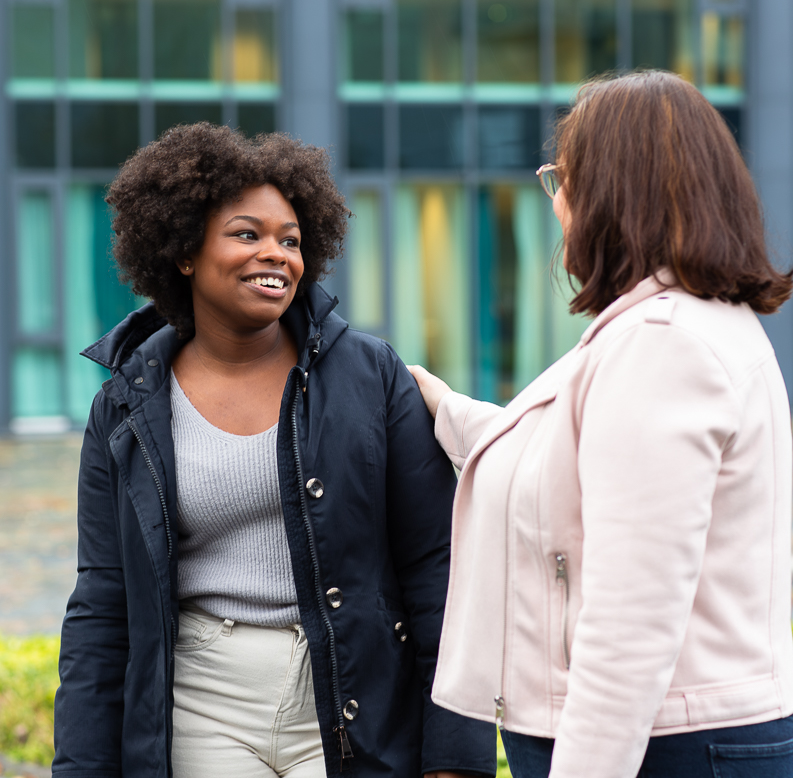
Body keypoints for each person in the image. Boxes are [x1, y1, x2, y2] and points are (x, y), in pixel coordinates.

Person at [52, 123, 495, 778]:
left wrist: (456, 758)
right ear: (183, 253)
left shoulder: (372, 377)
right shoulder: (125, 405)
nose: (277, 255)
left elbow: (440, 572)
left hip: (352, 696)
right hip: (203, 701)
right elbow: (103, 599)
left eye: (290, 240)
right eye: (247, 235)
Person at [408, 71, 793, 778]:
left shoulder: (663, 344)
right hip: (674, 739)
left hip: (660, 747)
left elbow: (632, 620)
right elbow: (558, 468)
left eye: (564, 177)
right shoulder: (674, 326)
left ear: (612, 193)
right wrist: (429, 398)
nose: (556, 200)